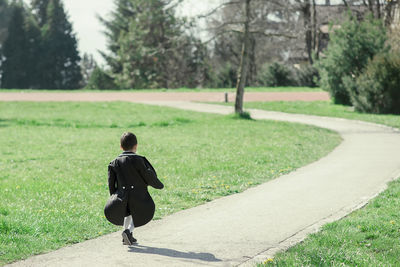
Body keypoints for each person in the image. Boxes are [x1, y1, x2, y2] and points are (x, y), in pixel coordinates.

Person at [105, 132, 164, 245]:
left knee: (126, 212)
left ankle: (127, 235)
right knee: (138, 213)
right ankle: (128, 231)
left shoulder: (114, 162)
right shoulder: (140, 160)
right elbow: (148, 175)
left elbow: (111, 182)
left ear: (121, 147)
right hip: (139, 194)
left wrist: (113, 196)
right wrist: (158, 185)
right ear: (136, 146)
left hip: (122, 195)